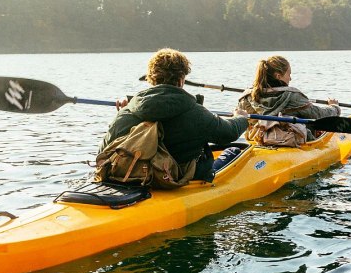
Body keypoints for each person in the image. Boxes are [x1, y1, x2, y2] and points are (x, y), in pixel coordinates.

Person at [101, 48, 248, 181]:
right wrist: (241, 117)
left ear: (151, 79)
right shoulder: (196, 112)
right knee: (233, 151)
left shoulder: (128, 109)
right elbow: (229, 133)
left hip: (130, 175)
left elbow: (103, 151)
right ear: (181, 79)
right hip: (172, 177)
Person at [235, 55, 340, 144]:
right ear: (278, 76)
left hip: (258, 140)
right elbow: (318, 115)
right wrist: (334, 108)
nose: (290, 78)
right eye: (289, 74)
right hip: (289, 141)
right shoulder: (293, 96)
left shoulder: (246, 97)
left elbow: (238, 120)